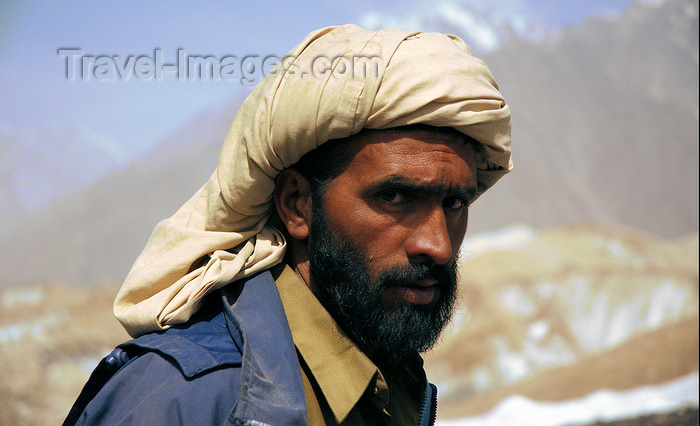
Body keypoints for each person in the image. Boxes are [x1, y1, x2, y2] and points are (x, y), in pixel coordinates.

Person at [64, 24, 512, 426]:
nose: (437, 244)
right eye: (393, 197)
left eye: (455, 202)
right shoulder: (186, 397)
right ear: (298, 206)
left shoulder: (391, 386)